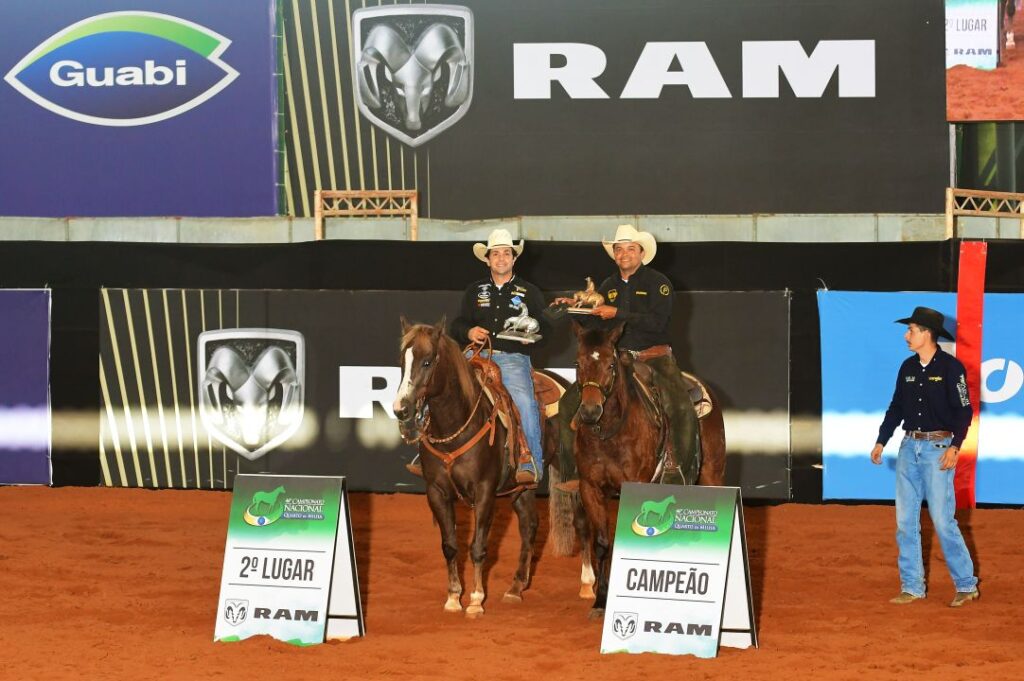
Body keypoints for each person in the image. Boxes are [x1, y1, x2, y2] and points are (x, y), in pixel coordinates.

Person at [555, 224, 700, 488]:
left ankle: (677, 468)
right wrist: (576, 309)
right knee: (567, 404)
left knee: (680, 406)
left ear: (642, 253)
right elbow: (595, 326)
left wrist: (618, 313)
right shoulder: (607, 287)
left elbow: (659, 322)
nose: (624, 254)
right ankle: (573, 471)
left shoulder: (659, 283)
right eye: (619, 249)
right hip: (617, 360)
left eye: (630, 249)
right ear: (614, 255)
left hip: (654, 357)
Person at [870, 306, 980, 608]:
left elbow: (964, 410)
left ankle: (966, 584)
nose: (906, 336)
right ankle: (912, 586)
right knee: (905, 522)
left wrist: (955, 446)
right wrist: (882, 440)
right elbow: (896, 407)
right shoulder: (907, 367)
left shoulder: (951, 368)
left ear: (927, 333)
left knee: (943, 521)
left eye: (912, 330)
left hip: (938, 449)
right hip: (908, 447)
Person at [448, 228, 548, 484]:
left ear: (514, 258)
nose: (501, 258)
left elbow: (546, 327)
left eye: (506, 253)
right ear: (488, 259)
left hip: (512, 358)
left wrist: (532, 335)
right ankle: (427, 448)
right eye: (496, 254)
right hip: (475, 354)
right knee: (442, 386)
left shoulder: (530, 291)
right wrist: (469, 331)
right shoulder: (474, 290)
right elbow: (456, 324)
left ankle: (530, 461)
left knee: (524, 401)